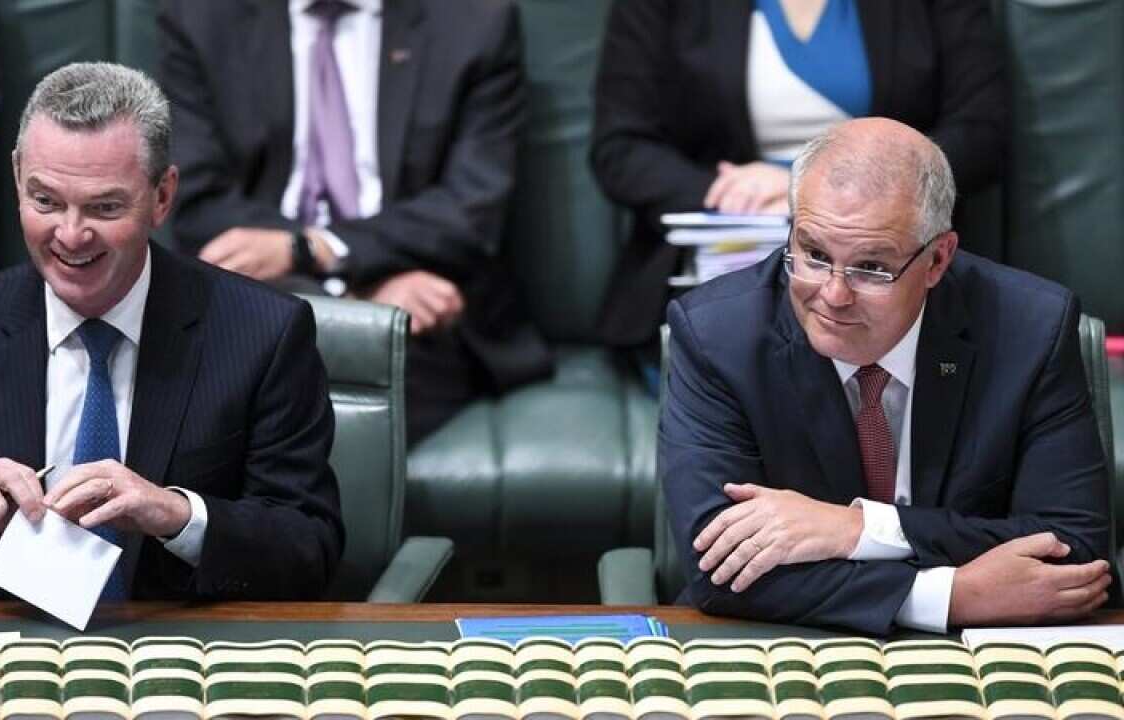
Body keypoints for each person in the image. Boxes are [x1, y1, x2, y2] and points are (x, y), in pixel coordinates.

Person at [0, 62, 344, 601]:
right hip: (6, 658)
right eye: (46, 201)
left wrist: (176, 514)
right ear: (17, 178)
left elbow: (309, 547)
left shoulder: (262, 333)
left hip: (177, 657)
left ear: (162, 196)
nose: (71, 234)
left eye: (105, 207)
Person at [660, 118, 1111, 635]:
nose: (832, 294)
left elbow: (1074, 555)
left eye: (870, 268)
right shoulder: (719, 338)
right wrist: (947, 596)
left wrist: (855, 529)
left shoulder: (1030, 330)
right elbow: (719, 572)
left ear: (938, 259)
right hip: (792, 647)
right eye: (813, 254)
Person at [157, 0, 551, 445]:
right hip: (270, 298)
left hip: (420, 309)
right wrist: (354, 294)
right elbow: (197, 200)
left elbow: (471, 207)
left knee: (322, 399)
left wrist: (317, 249)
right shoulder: (202, 17)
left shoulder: (474, 21)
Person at [590, 0, 1007, 350]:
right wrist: (733, 195)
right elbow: (620, 147)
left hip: (889, 263)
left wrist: (798, 186)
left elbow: (983, 132)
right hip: (721, 255)